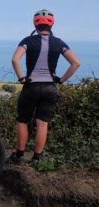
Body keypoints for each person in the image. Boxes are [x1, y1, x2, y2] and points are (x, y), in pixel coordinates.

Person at [8, 9, 80, 164]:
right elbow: (76, 63)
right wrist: (61, 80)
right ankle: (37, 158)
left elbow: (15, 60)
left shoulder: (28, 40)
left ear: (35, 23)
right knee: (42, 123)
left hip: (31, 87)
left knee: (22, 121)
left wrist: (22, 78)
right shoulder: (59, 43)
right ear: (51, 24)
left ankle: (19, 156)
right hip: (49, 88)